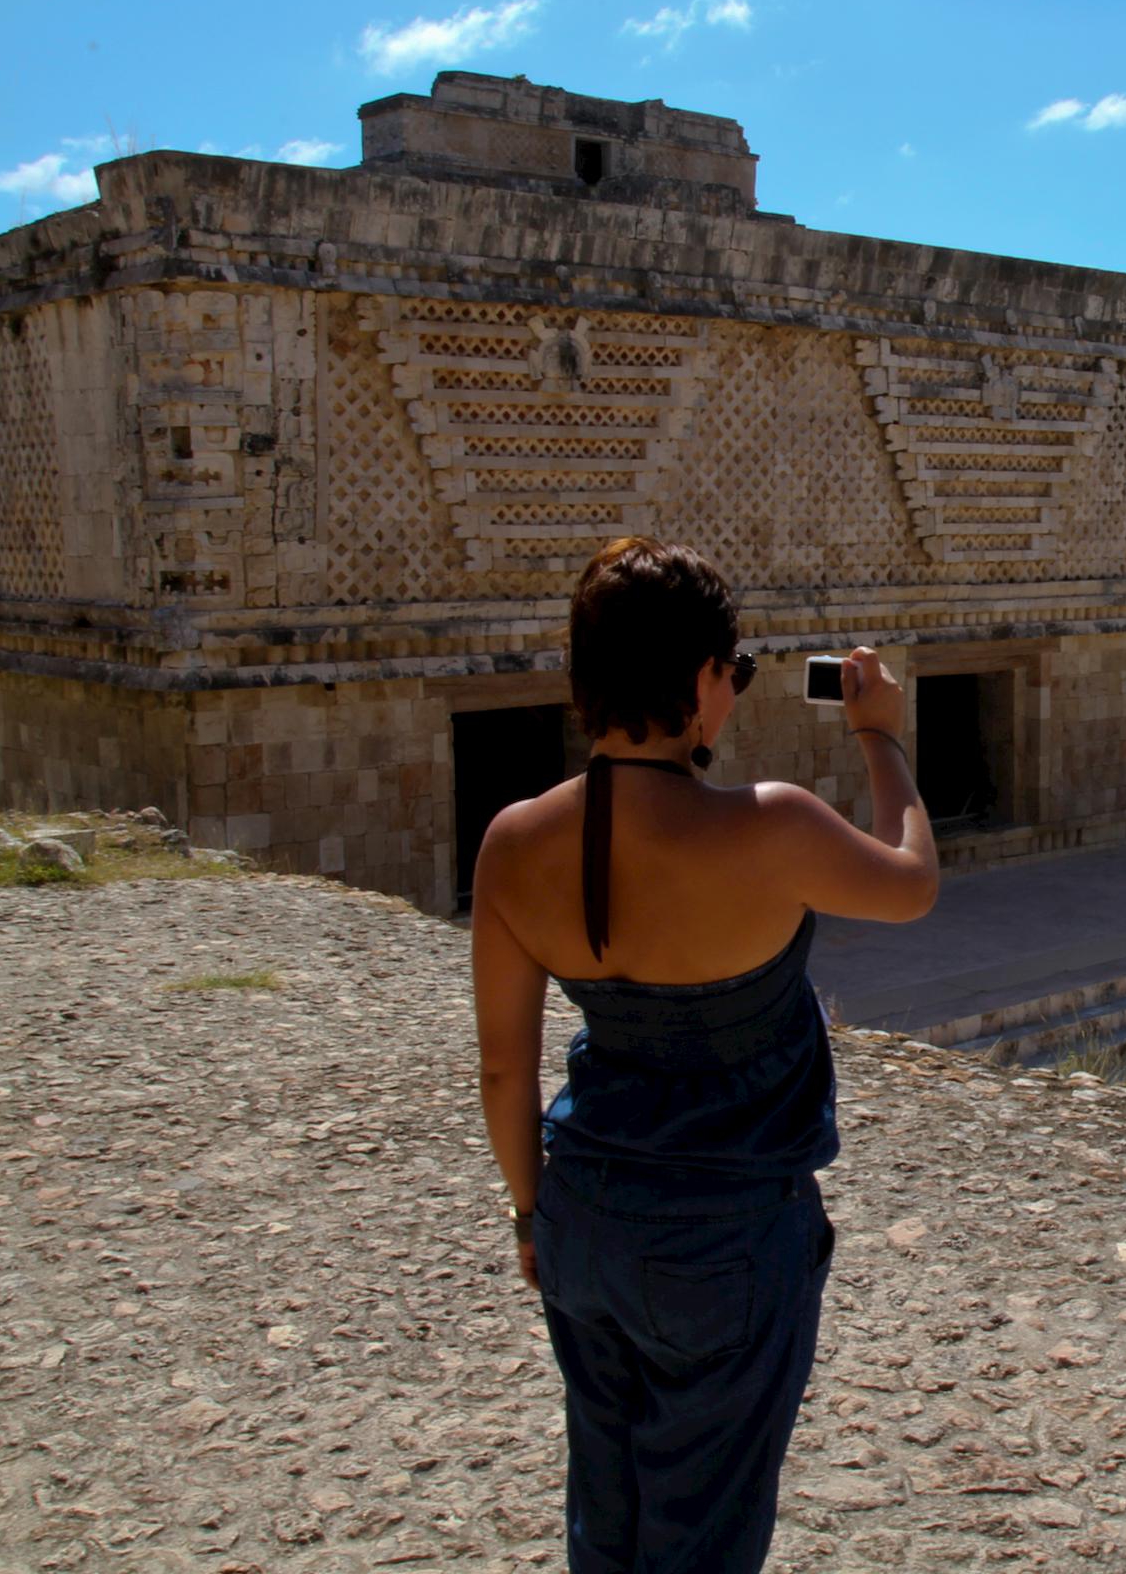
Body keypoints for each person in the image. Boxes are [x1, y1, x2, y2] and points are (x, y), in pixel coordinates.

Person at [468, 536, 939, 1573]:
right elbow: (911, 881)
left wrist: (527, 1212)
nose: (733, 692)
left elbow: (506, 1070)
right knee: (707, 1530)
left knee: (608, 1507)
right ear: (698, 679)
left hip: (585, 1214)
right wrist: (881, 738)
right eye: (734, 671)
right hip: (728, 1235)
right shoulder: (771, 825)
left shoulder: (512, 842)